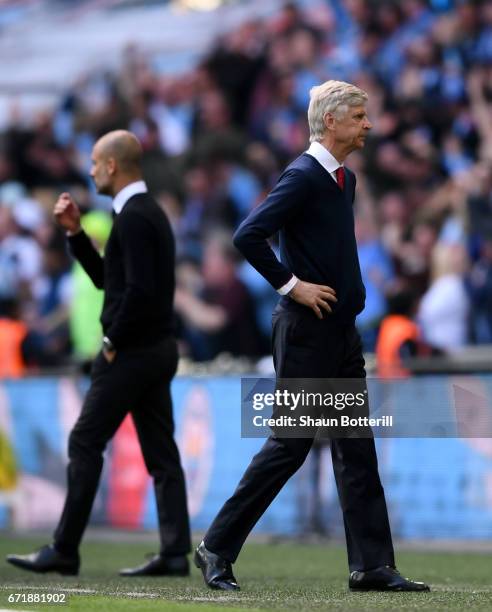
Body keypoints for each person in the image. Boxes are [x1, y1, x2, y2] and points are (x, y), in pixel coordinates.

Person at [194, 81, 430, 592]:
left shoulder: (343, 180)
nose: (368, 125)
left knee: (356, 445)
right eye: (360, 116)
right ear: (331, 121)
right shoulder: (302, 176)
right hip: (306, 332)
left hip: (339, 332)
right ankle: (216, 545)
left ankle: (370, 565)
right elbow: (248, 234)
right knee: (291, 444)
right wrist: (292, 285)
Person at [6, 130, 191, 577]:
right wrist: (75, 235)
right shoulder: (143, 214)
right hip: (155, 350)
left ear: (112, 166)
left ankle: (64, 548)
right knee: (162, 454)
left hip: (132, 353)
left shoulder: (134, 217)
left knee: (84, 441)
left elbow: (140, 294)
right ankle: (173, 552)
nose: (89, 171)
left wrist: (112, 341)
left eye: (94, 162)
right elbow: (113, 281)